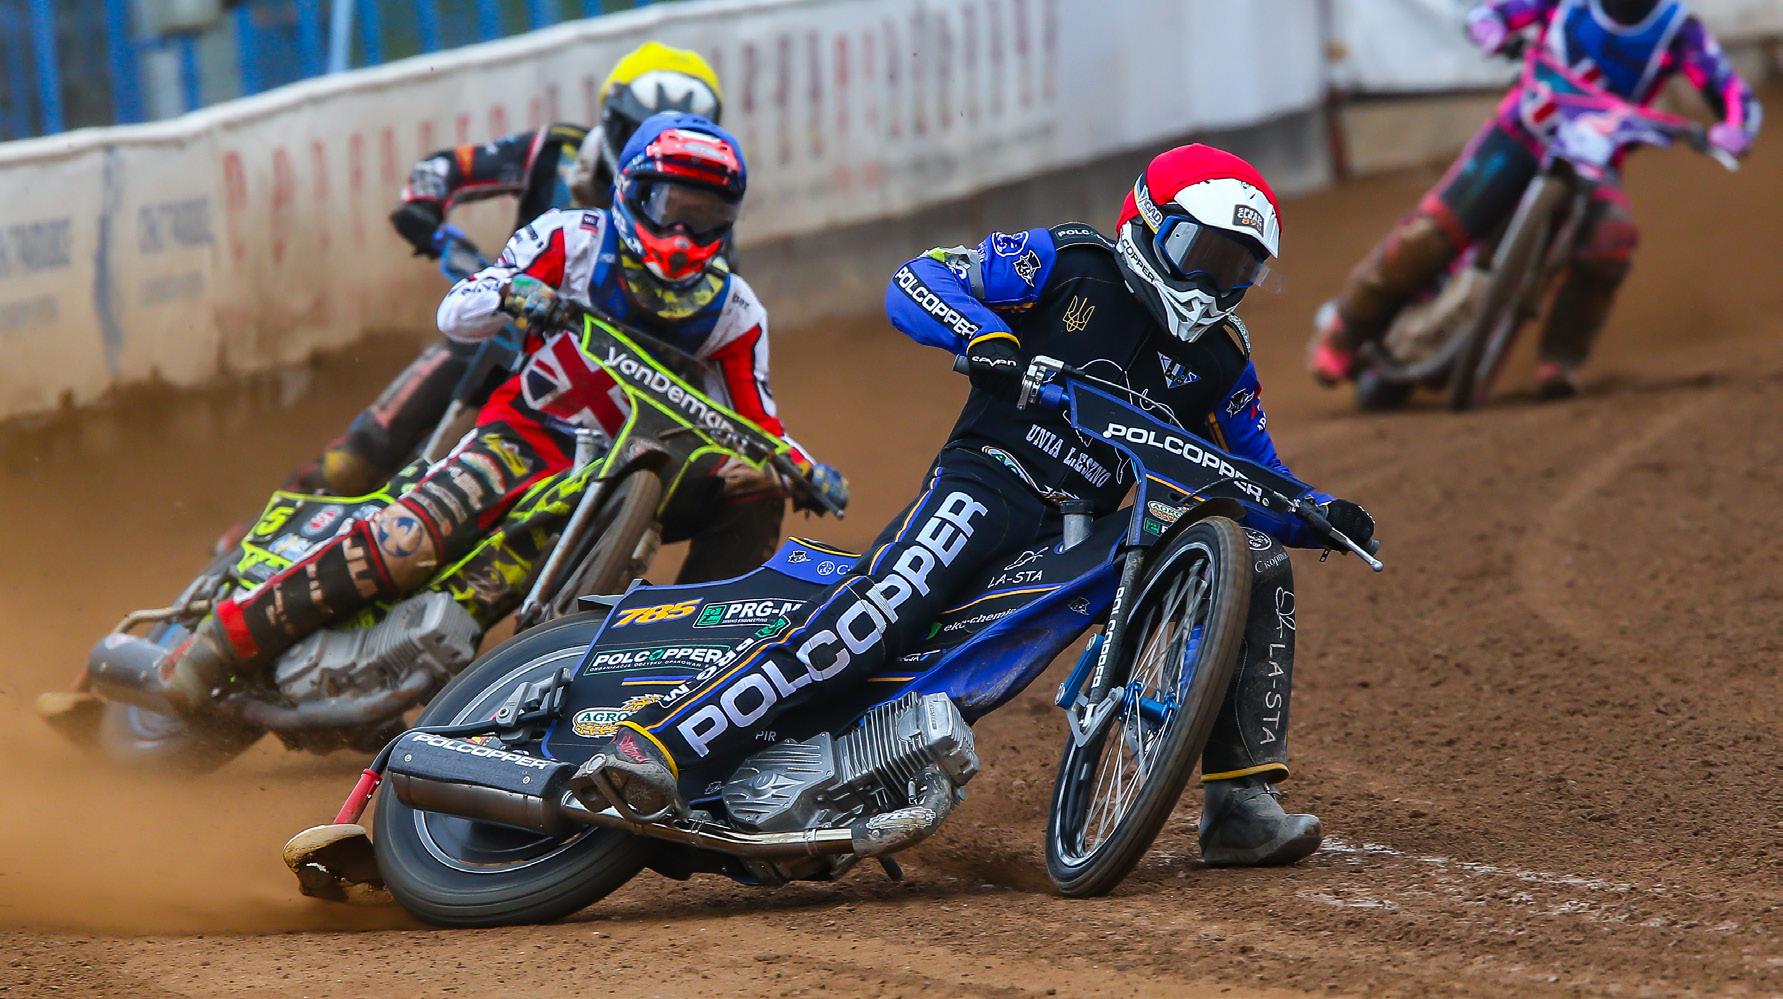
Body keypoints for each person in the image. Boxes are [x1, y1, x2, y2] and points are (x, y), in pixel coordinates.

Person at [583, 144, 1377, 867]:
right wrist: (983, 337)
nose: (1210, 285)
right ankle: (660, 743)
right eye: (1200, 255)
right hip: (988, 479)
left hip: (1082, 531)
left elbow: (1252, 473)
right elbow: (918, 278)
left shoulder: (1222, 359)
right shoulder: (1070, 260)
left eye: (1235, 269)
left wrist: (1317, 510)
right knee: (876, 616)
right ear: (1146, 221)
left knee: (1256, 558)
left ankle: (1237, 802)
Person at [158, 113, 846, 716]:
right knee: (406, 540)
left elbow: (758, 425)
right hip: (524, 435)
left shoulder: (735, 310)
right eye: (672, 206)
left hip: (634, 466)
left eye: (704, 214)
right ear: (633, 192)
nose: (683, 229)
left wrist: (802, 469)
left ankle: (693, 670)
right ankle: (222, 643)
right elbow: (456, 313)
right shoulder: (569, 239)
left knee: (754, 487)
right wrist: (513, 292)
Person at [291, 42, 726, 497]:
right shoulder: (556, 150)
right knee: (351, 463)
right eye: (641, 131)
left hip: (601, 378)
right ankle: (285, 514)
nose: (657, 152)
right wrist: (424, 204)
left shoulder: (704, 218)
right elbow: (450, 166)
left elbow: (715, 316)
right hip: (506, 326)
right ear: (612, 119)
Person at [1308, 0, 1760, 399]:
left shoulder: (1679, 31)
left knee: (1611, 239)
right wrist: (1491, 27)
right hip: (1520, 133)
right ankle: (1345, 332)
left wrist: (1735, 128)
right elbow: (1496, 11)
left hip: (1592, 160)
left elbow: (1731, 91)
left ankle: (1559, 358)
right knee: (1432, 234)